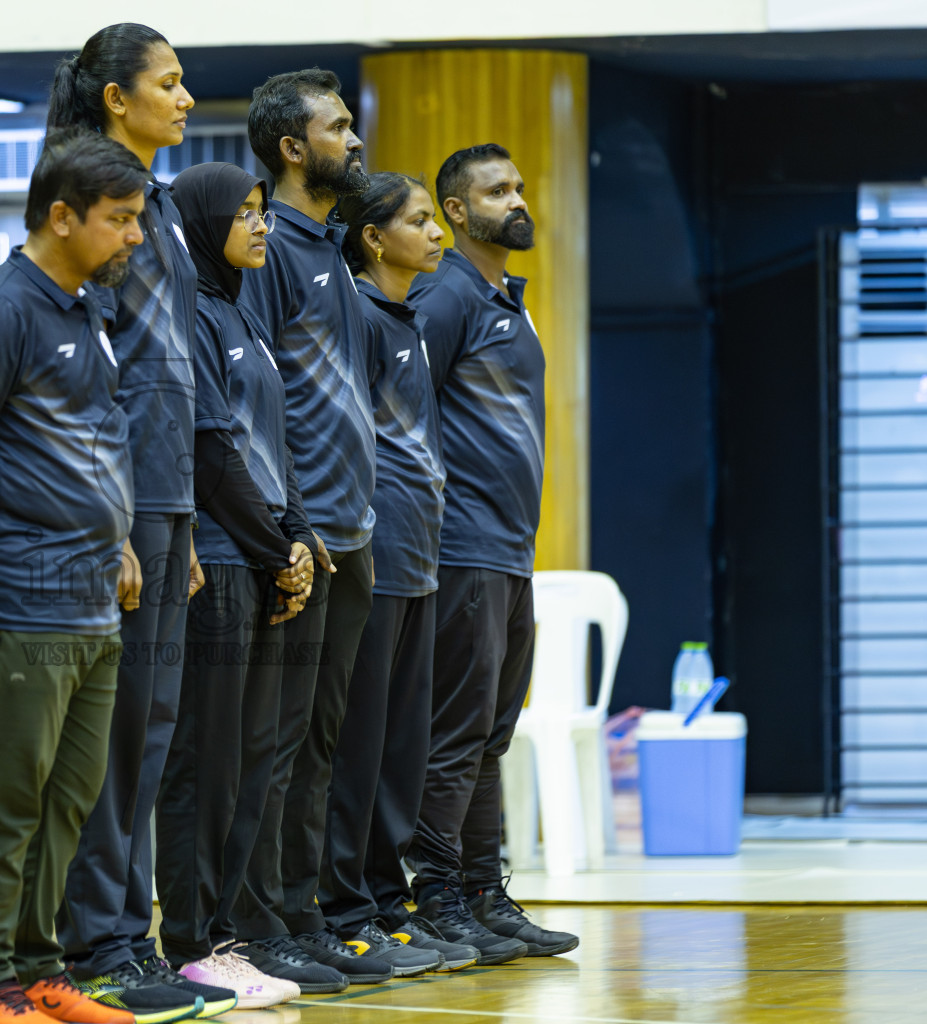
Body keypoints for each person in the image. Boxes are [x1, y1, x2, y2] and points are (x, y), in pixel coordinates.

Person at [0, 127, 150, 1024]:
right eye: (119, 220)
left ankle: (38, 968)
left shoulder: (84, 307)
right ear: (61, 216)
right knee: (7, 793)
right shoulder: (1, 310)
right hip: (14, 592)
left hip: (91, 593)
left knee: (67, 799)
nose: (134, 236)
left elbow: (86, 443)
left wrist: (117, 534)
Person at [44, 26, 224, 1019]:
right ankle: (96, 943)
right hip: (114, 503)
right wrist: (112, 517)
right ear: (118, 99)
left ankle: (130, 934)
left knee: (150, 731)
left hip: (166, 498)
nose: (187, 96)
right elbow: (89, 375)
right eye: (170, 82)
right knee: (110, 738)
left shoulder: (155, 204)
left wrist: (184, 518)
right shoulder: (88, 200)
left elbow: (175, 371)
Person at [230, 68, 390, 989]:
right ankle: (260, 923)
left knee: (319, 742)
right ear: (293, 147)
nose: (354, 140)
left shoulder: (330, 249)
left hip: (353, 532)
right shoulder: (273, 248)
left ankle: (307, 911)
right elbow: (255, 400)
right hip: (302, 539)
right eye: (337, 127)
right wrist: (286, 525)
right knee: (276, 743)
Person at [403, 143, 578, 960]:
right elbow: (400, 411)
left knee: (493, 732)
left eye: (518, 185)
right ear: (457, 212)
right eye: (495, 191)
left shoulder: (506, 299)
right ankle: (436, 895)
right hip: (461, 546)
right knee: (458, 730)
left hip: (510, 552)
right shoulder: (445, 299)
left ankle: (483, 892)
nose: (516, 199)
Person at [154, 161, 316, 1009]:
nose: (262, 225)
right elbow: (212, 454)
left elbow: (269, 447)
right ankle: (189, 941)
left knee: (251, 762)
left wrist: (291, 539)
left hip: (256, 556)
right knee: (203, 767)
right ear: (203, 219)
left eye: (265, 210)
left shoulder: (241, 315)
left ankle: (226, 938)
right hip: (215, 563)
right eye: (246, 213)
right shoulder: (190, 318)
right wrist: (271, 546)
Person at [316, 173, 481, 973]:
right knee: (361, 748)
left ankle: (388, 899)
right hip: (373, 564)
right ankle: (346, 904)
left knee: (402, 752)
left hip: (420, 563)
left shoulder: (409, 319)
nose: (436, 233)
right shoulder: (357, 317)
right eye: (419, 221)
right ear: (374, 237)